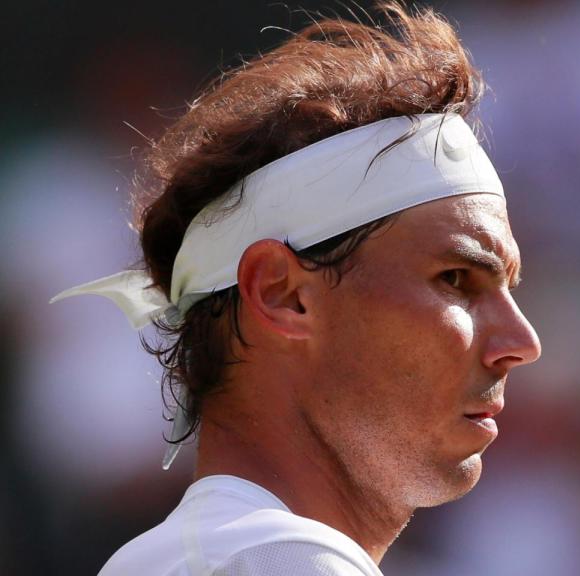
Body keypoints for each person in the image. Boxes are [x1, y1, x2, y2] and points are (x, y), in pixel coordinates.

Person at [52, 4, 541, 575]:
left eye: (508, 286)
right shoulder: (280, 561)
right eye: (455, 279)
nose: (521, 341)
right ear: (282, 294)